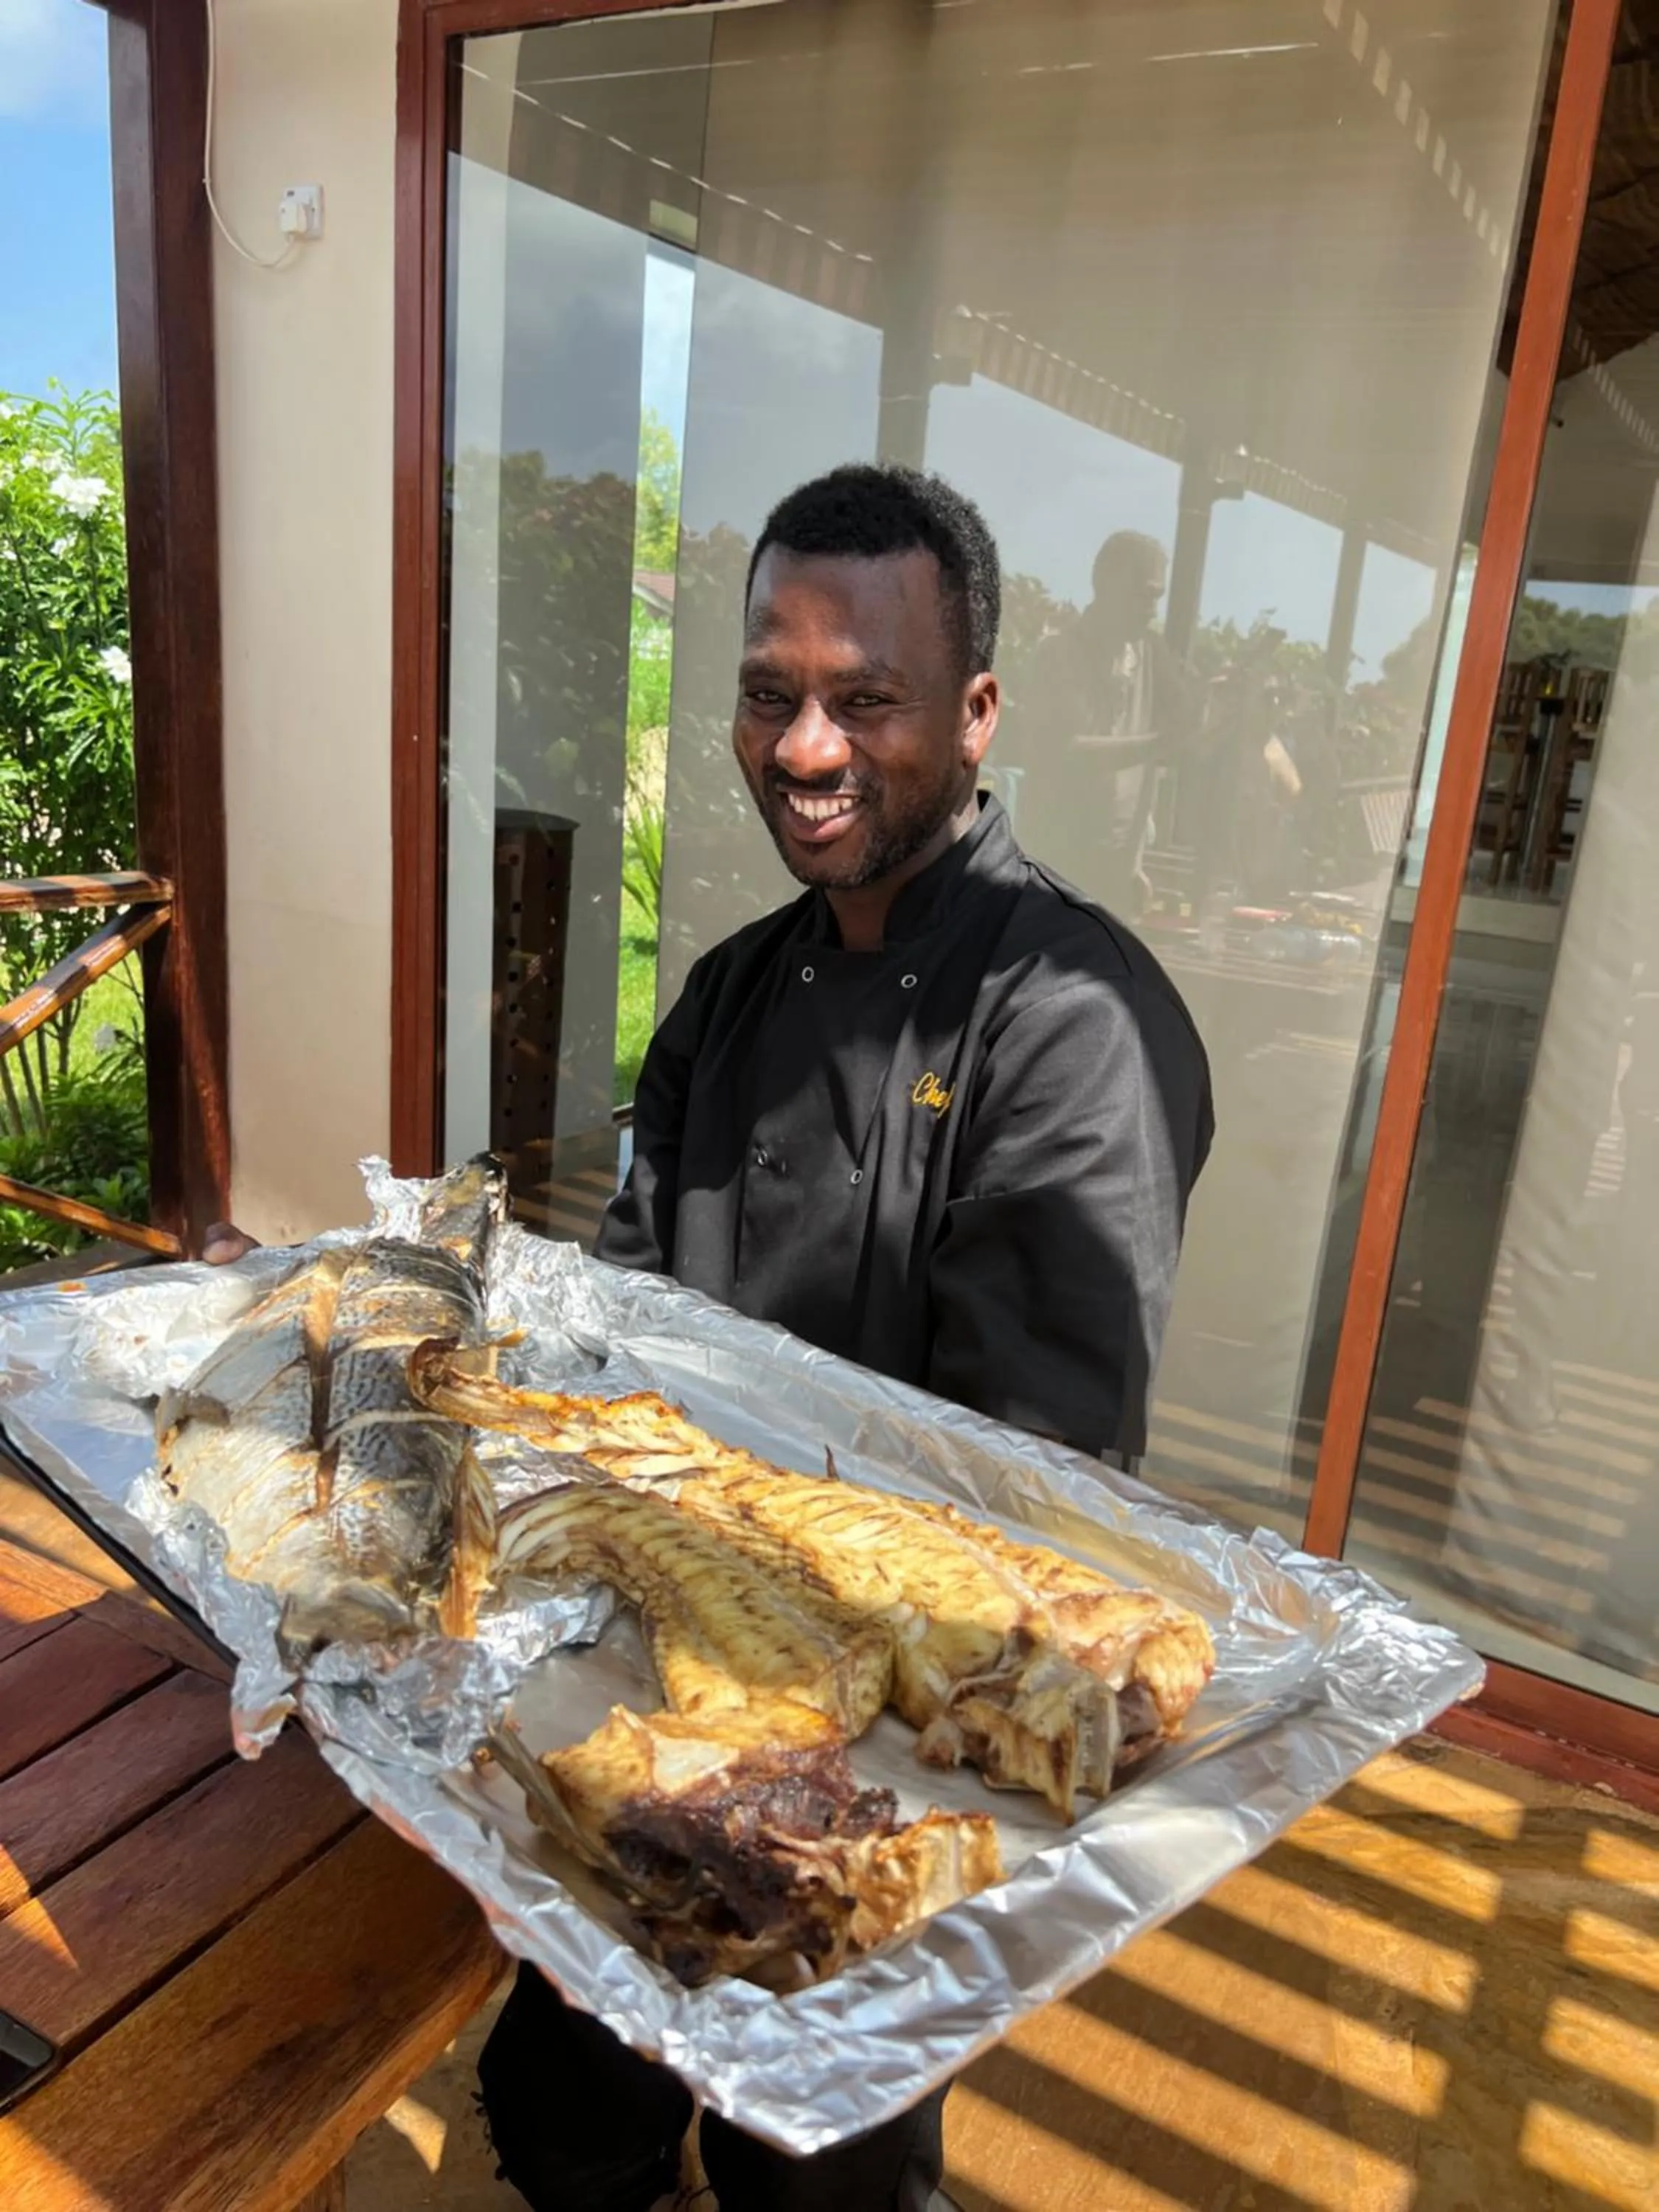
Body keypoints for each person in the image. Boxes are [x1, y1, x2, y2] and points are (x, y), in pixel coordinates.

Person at [206, 463, 1214, 2212]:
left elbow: (1019, 1499)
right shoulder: (733, 991)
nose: (806, 748)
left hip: (866, 1754)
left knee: (812, 2158)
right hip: (652, 1670)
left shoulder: (1070, 1028)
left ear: (975, 714)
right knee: (566, 2095)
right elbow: (622, 1332)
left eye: (865, 699)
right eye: (770, 694)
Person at [998, 529, 1202, 922]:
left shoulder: (1147, 654)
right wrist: (1159, 743)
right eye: (1143, 595)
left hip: (1117, 868)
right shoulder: (1058, 655)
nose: (1150, 609)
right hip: (1058, 863)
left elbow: (1176, 742)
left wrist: (1135, 862)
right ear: (1106, 584)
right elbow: (1067, 753)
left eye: (1156, 598)